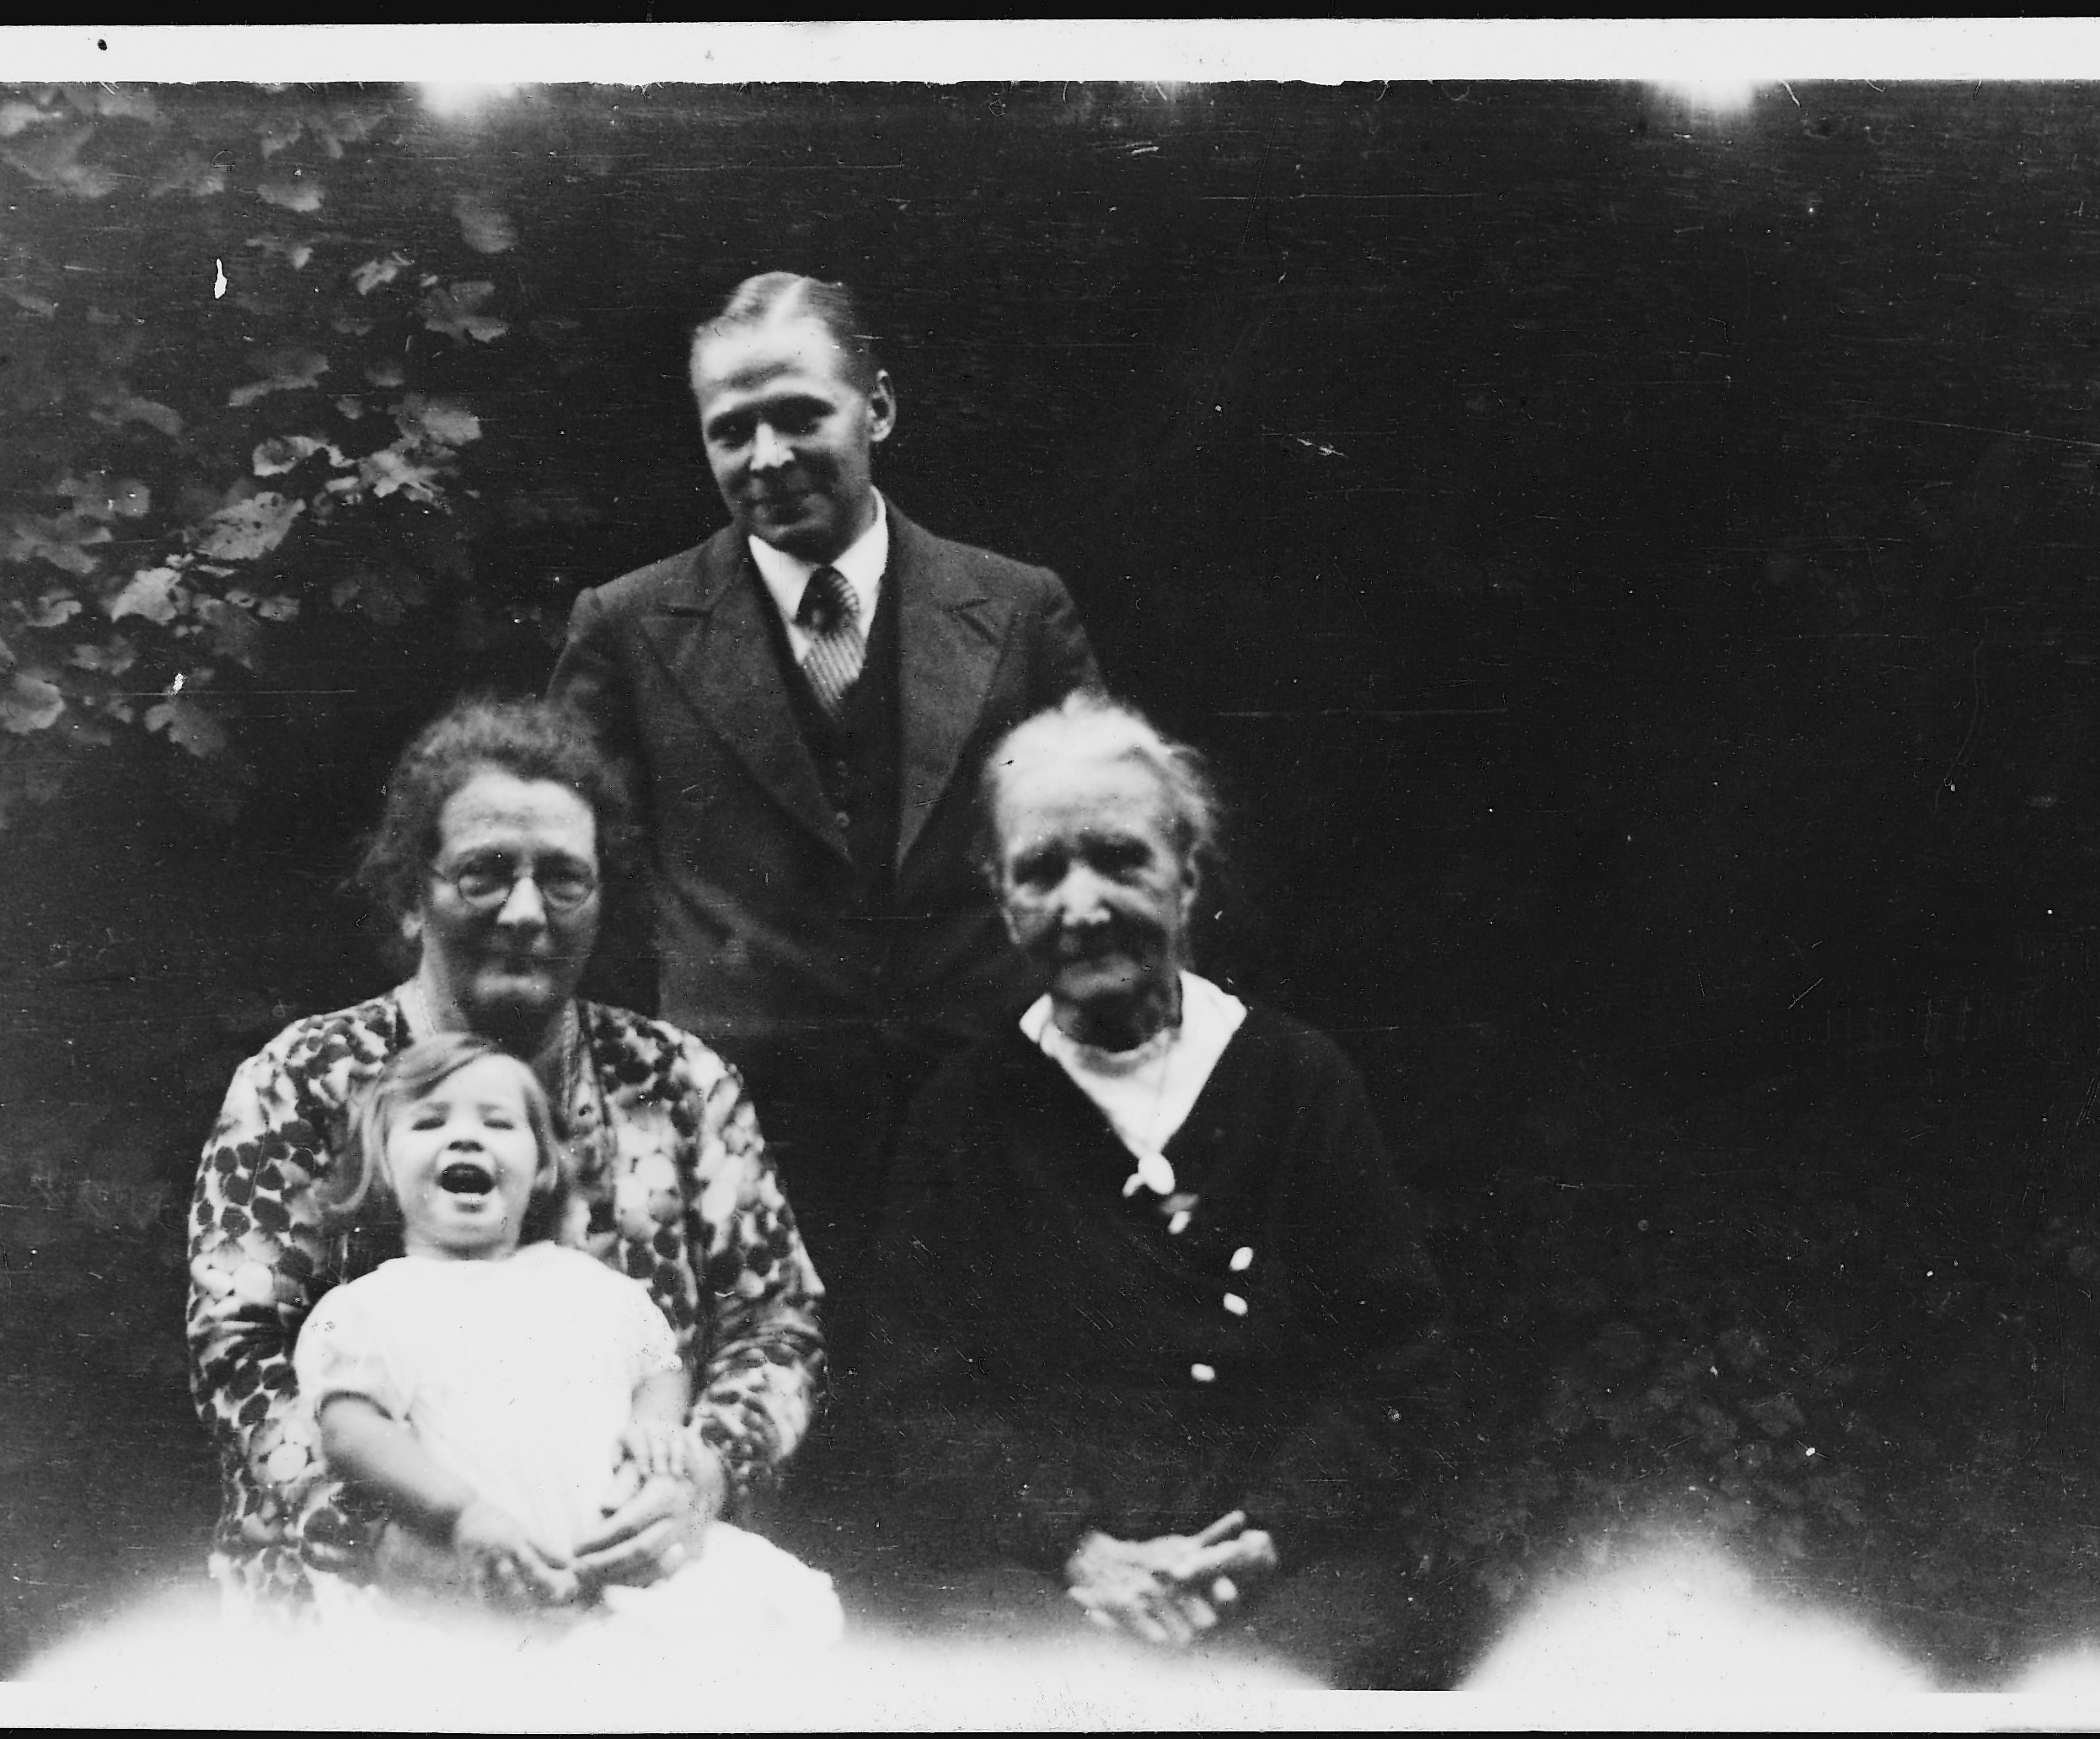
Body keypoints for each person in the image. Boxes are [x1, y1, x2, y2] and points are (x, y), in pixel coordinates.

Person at [861, 691, 1454, 1688]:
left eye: (1120, 858)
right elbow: (921, 1400)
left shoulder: (1298, 1082)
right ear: (1002, 900)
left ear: (1187, 873)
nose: (1082, 905)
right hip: (1046, 1582)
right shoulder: (962, 1116)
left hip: (1282, 1572)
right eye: (1041, 871)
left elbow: (1397, 1370)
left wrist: (1265, 1540)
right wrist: (1081, 1553)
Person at [186, 694, 824, 1612]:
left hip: (633, 1581)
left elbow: (780, 1326)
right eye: (485, 872)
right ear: (412, 895)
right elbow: (238, 1357)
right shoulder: (302, 1082)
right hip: (368, 1592)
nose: (527, 911)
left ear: (603, 899)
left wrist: (703, 1477)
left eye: (564, 878)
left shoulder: (680, 1084)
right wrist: (378, 1541)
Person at [545, 272, 1104, 1306]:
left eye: (801, 416)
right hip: (735, 1135)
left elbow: (1113, 863)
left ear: (878, 408)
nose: (766, 459)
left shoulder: (1021, 611)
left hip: (995, 1114)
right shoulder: (626, 628)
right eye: (731, 430)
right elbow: (575, 888)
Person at [294, 1032, 840, 1646]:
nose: (466, 1135)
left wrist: (655, 1429)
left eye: (499, 1122)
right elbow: (349, 1429)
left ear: (543, 1166)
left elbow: (660, 1365)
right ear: (383, 1171)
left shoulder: (589, 1285)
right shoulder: (372, 1308)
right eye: (429, 1121)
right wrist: (460, 1516)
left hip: (623, 1579)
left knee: (770, 1625)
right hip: (472, 1583)